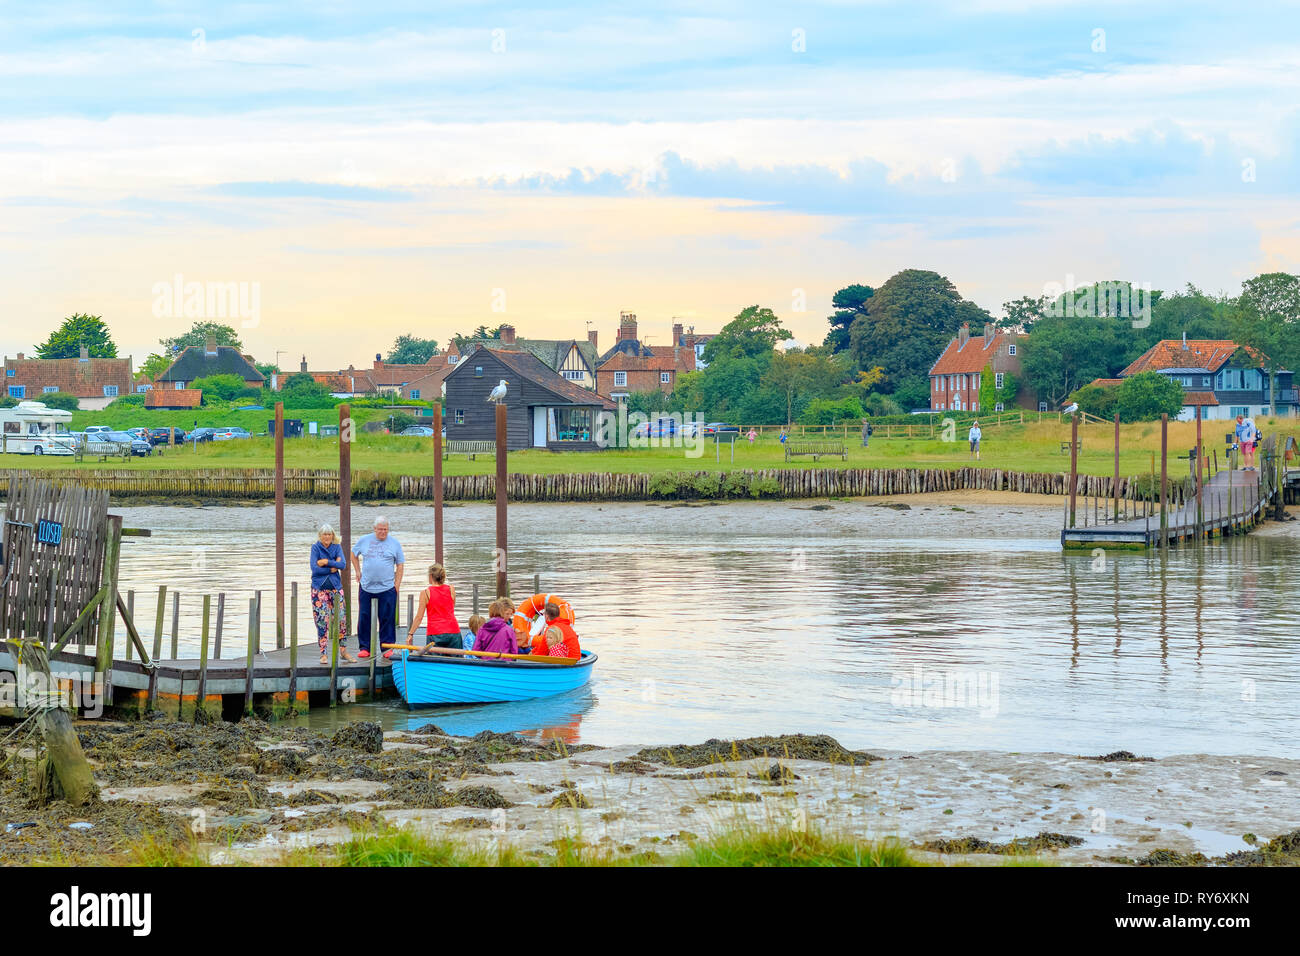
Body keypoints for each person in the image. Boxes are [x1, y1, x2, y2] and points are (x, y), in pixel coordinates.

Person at [350, 515, 405, 659]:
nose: (383, 532)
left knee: (387, 617)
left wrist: (397, 584)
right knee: (364, 616)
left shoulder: (394, 543)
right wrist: (357, 571)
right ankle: (365, 647)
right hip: (366, 586)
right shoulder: (364, 540)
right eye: (380, 529)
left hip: (387, 588)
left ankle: (387, 647)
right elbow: (353, 554)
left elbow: (400, 564)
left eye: (385, 530)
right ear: (374, 529)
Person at [310, 523, 355, 664]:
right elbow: (314, 569)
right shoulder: (315, 548)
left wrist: (325, 562)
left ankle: (343, 651)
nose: (327, 537)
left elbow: (343, 565)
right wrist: (332, 567)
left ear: (333, 536)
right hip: (319, 589)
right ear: (320, 536)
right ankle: (323, 653)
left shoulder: (337, 547)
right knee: (322, 621)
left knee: (341, 619)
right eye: (324, 534)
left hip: (336, 588)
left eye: (329, 534)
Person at [400, 563, 458, 659]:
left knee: (435, 663)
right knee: (457, 663)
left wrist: (410, 634)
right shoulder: (451, 589)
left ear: (431, 576)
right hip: (454, 632)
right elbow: (451, 608)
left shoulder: (426, 593)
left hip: (435, 633)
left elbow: (419, 617)